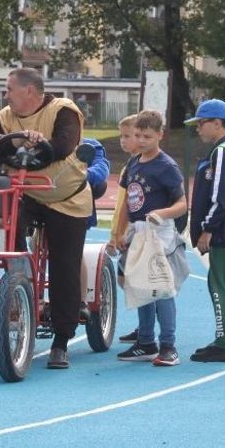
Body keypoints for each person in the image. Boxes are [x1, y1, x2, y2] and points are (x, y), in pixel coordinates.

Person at [0, 67, 92, 370]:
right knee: (6, 222)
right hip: (29, 194)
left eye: (9, 89)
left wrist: (38, 144)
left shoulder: (63, 111)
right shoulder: (5, 117)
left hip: (66, 198)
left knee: (64, 264)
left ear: (29, 92)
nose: (6, 95)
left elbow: (61, 147)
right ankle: (19, 280)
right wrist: (17, 143)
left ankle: (62, 338)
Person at [116, 110, 189, 367]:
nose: (142, 140)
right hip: (139, 231)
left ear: (160, 135)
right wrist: (121, 231)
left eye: (147, 136)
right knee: (139, 284)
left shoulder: (166, 167)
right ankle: (146, 341)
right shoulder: (134, 163)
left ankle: (168, 345)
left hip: (160, 232)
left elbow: (182, 203)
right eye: (138, 135)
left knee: (161, 288)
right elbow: (128, 200)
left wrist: (162, 213)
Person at [185, 99, 225, 363]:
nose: (198, 128)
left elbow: (219, 196)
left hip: (223, 231)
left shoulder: (222, 153)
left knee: (219, 284)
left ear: (218, 123)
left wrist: (207, 230)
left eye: (202, 123)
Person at [109, 114, 140, 344]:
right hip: (124, 231)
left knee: (136, 280)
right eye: (121, 135)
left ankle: (147, 326)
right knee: (125, 279)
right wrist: (115, 233)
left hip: (136, 232)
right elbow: (121, 203)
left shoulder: (142, 166)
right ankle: (145, 323)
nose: (122, 140)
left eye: (127, 136)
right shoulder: (130, 165)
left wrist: (123, 232)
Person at [78, 136, 111, 321]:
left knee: (72, 250)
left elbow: (101, 168)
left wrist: (82, 174)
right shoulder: (40, 140)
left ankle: (81, 300)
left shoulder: (89, 145)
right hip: (38, 203)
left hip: (73, 206)